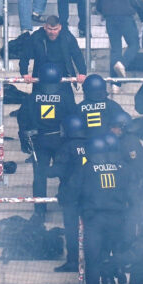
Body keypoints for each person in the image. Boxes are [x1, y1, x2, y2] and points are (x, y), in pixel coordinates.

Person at [18, 62, 77, 213]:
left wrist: (23, 139)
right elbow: (74, 119)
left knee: (39, 177)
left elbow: (22, 119)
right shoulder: (65, 97)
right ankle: (67, 206)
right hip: (61, 141)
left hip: (39, 141)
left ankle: (40, 212)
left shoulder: (32, 98)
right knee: (65, 173)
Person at [79, 134, 125, 284]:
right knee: (109, 254)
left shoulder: (87, 168)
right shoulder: (120, 168)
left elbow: (75, 191)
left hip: (94, 220)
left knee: (93, 261)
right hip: (117, 218)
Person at [50, 114, 87, 272]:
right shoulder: (91, 144)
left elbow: (58, 170)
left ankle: (73, 261)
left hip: (71, 195)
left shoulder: (66, 147)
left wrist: (43, 171)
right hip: (90, 194)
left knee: (71, 230)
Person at [18, 15, 87, 80]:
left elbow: (77, 55)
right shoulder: (36, 37)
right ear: (45, 27)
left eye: (55, 29)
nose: (52, 32)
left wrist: (82, 72)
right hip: (40, 75)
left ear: (60, 27)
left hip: (64, 75)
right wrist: (24, 73)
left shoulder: (67, 37)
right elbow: (25, 55)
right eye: (50, 29)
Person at [79, 74, 126, 138]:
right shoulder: (112, 105)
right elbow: (125, 122)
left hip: (86, 144)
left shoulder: (79, 108)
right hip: (109, 143)